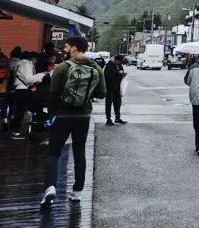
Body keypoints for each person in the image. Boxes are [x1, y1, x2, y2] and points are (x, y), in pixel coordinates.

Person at [40, 36, 106, 209]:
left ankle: (50, 188)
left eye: (67, 47)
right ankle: (77, 192)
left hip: (62, 115)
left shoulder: (62, 67)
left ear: (74, 49)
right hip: (83, 116)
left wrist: (51, 116)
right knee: (79, 152)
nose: (65, 50)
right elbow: (102, 94)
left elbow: (53, 94)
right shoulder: (96, 68)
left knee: (53, 153)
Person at [10, 50, 47, 139]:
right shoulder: (26, 64)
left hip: (20, 89)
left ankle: (17, 130)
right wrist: (42, 74)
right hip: (22, 89)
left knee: (20, 110)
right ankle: (16, 131)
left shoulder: (20, 63)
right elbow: (28, 79)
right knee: (20, 110)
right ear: (33, 58)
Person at [103, 54, 129, 126]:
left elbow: (121, 72)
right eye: (119, 61)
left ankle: (117, 118)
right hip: (110, 87)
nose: (120, 63)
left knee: (117, 103)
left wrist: (123, 74)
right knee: (108, 103)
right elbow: (108, 75)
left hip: (117, 87)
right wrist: (118, 73)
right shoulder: (109, 65)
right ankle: (108, 119)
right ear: (116, 60)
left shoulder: (119, 65)